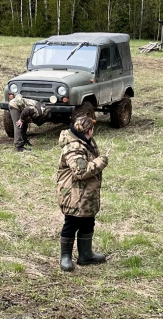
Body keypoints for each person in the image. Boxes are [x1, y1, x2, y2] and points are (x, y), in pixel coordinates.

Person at [56, 115, 109, 272]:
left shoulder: (86, 142)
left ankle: (85, 255)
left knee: (88, 221)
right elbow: (80, 171)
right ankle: (65, 257)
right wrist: (101, 162)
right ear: (88, 130)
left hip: (86, 194)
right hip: (73, 194)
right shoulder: (74, 147)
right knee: (71, 224)